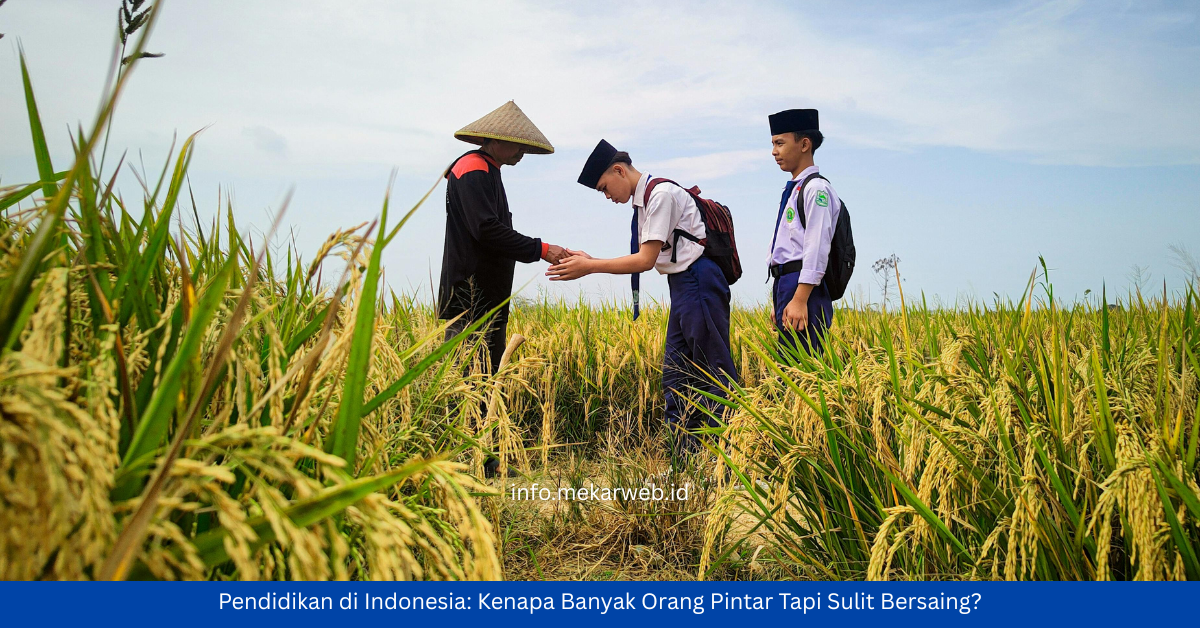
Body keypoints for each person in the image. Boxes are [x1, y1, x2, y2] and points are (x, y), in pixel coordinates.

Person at [548, 139, 737, 458]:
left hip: (698, 282)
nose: (608, 197)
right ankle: (685, 463)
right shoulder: (648, 200)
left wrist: (589, 266)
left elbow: (645, 260)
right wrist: (589, 260)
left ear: (619, 170)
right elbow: (644, 256)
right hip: (683, 286)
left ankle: (731, 464)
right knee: (677, 376)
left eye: (605, 188)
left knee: (714, 373)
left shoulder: (661, 196)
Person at [440, 100, 567, 476]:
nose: (523, 152)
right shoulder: (473, 170)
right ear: (497, 141)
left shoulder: (488, 170)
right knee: (470, 381)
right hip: (469, 296)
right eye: (518, 145)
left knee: (487, 377)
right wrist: (541, 249)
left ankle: (486, 461)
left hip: (487, 297)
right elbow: (487, 231)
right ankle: (469, 464)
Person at [767, 108, 840, 356]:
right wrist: (780, 298)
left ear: (804, 144)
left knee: (805, 368)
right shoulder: (794, 190)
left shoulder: (816, 189)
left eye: (780, 143)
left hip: (804, 286)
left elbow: (816, 247)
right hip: (788, 285)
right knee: (789, 364)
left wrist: (799, 299)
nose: (774, 151)